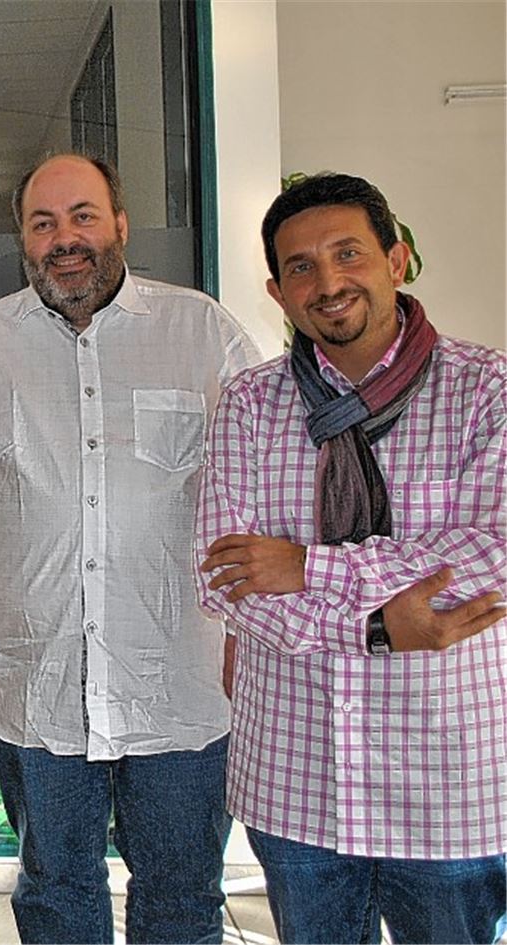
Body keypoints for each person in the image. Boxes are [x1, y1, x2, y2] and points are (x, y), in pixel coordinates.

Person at [0, 153, 262, 944]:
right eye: (44, 222)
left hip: (183, 685)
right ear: (24, 240)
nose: (65, 238)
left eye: (83, 216)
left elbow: (269, 494)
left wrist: (255, 633)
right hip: (36, 686)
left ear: (121, 225)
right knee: (57, 896)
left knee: (182, 900)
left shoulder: (203, 332)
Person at [196, 172, 506, 944]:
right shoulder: (248, 404)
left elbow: (494, 551)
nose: (328, 282)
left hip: (449, 780)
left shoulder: (485, 391)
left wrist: (311, 566)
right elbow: (230, 582)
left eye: (348, 254)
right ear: (276, 290)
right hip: (298, 783)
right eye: (301, 266)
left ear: (396, 259)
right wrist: (378, 628)